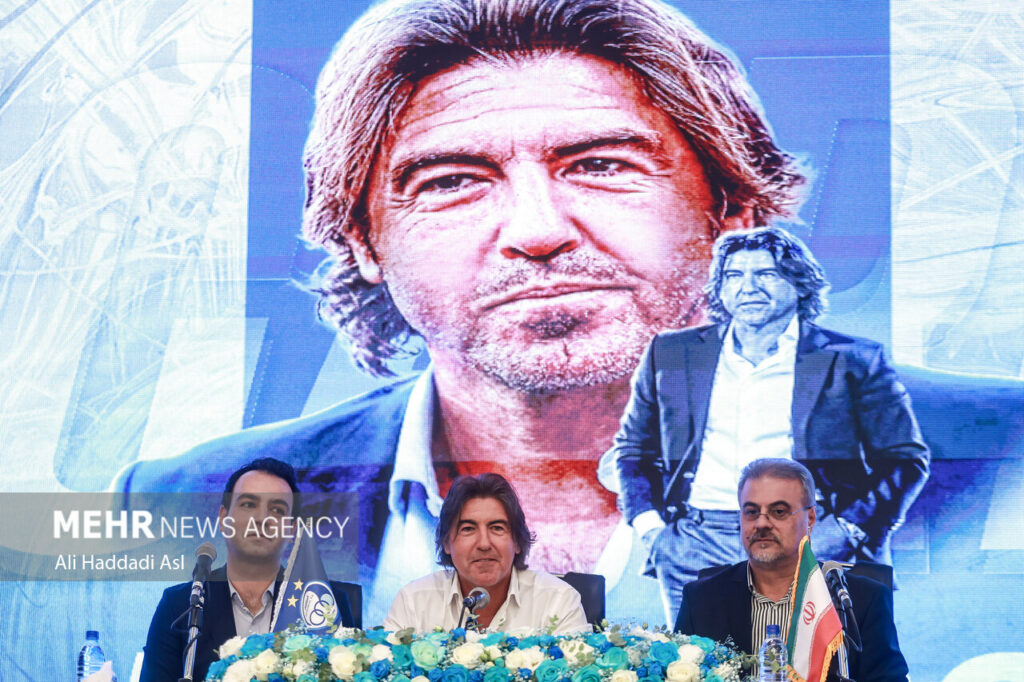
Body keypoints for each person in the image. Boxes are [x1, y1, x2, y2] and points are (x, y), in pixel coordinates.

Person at [112, 0, 1019, 626]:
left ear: (732, 208)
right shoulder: (182, 504)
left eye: (602, 165)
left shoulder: (1004, 458)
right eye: (452, 181)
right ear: (362, 242)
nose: (537, 231)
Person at [612, 226, 930, 622]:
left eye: (765, 274)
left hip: (809, 538)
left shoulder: (854, 358)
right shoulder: (672, 352)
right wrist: (652, 531)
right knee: (700, 659)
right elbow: (633, 451)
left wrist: (847, 529)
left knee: (809, 659)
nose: (747, 287)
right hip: (695, 542)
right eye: (734, 275)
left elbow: (905, 459)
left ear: (799, 284)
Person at [675, 458, 909, 682]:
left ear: (810, 518)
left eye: (779, 511)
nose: (762, 523)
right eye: (752, 512)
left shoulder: (861, 601)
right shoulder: (701, 600)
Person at [139, 458, 354, 682]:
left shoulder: (325, 603)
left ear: (291, 530)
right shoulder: (181, 605)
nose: (261, 519)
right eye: (249, 504)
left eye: (277, 510)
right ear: (224, 518)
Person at [383, 473, 588, 634]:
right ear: (446, 543)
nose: (484, 544)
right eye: (468, 529)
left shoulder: (557, 600)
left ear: (517, 541)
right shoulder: (413, 601)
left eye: (497, 528)